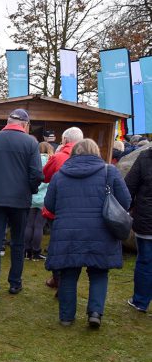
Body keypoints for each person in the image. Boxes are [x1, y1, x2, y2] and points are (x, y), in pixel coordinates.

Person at [45, 139, 131, 328]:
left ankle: (67, 317)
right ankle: (95, 313)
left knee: (68, 273)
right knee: (99, 273)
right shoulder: (110, 172)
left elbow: (49, 205)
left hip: (68, 232)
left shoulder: (60, 176)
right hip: (102, 231)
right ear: (96, 152)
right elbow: (125, 201)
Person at [0, 109, 43, 300]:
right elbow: (37, 173)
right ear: (25, 125)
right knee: (18, 242)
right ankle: (15, 283)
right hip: (20, 201)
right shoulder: (31, 142)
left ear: (9, 122)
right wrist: (30, 189)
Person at [42, 126, 84, 290]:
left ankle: (57, 279)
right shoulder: (93, 158)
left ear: (65, 140)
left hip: (58, 210)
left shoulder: (58, 157)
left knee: (57, 245)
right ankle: (68, 282)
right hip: (82, 211)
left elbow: (44, 176)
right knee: (75, 246)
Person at [124, 147, 152, 313]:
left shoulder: (145, 157)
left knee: (145, 261)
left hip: (146, 219)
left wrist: (130, 208)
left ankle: (141, 301)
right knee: (145, 260)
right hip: (146, 219)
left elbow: (129, 187)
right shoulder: (144, 156)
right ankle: (140, 300)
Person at [24, 142, 53, 261]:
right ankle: (36, 252)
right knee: (39, 226)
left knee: (29, 224)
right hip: (44, 198)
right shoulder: (51, 161)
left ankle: (26, 251)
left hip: (32, 195)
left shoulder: (33, 160)